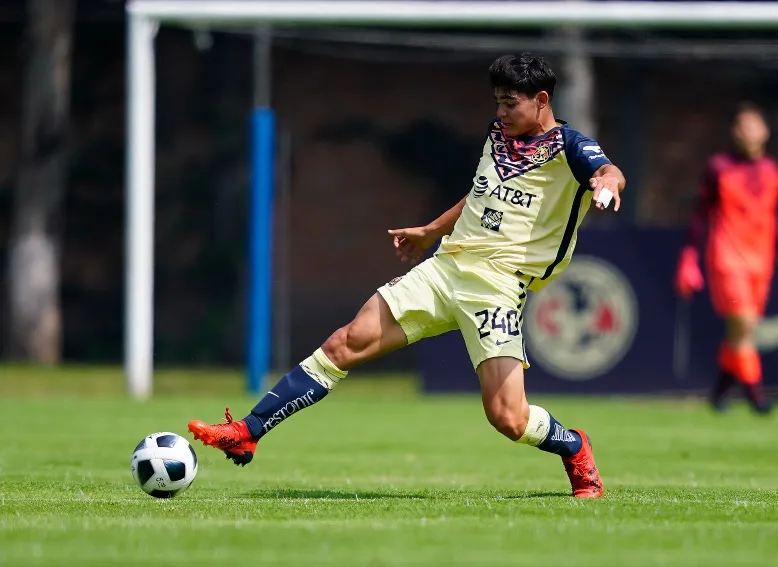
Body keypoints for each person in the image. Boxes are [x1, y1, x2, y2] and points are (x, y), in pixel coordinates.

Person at [188, 53, 626, 498]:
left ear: (542, 100)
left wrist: (606, 183)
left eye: (509, 102)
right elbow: (481, 193)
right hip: (445, 267)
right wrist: (431, 231)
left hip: (497, 287)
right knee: (345, 342)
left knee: (508, 418)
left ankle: (573, 446)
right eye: (497, 101)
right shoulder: (500, 134)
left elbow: (610, 171)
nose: (500, 112)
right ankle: (250, 429)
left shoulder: (571, 147)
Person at [674, 102, 778, 415]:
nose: (746, 132)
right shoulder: (718, 167)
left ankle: (718, 394)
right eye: (741, 126)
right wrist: (689, 257)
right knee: (744, 327)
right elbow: (699, 215)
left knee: (739, 334)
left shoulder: (772, 170)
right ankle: (757, 398)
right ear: (734, 132)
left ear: (765, 132)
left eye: (753, 125)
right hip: (727, 258)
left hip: (762, 261)